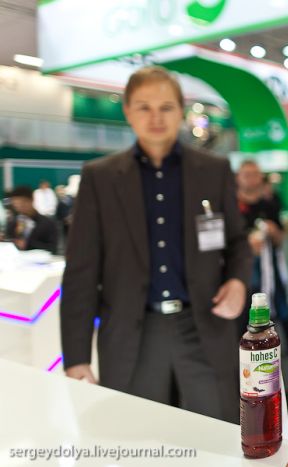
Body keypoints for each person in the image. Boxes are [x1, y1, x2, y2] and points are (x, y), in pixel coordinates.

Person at [60, 66, 252, 423]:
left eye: (166, 107)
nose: (156, 117)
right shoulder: (99, 178)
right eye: (144, 107)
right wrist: (76, 356)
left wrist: (238, 281)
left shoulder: (214, 170)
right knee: (139, 437)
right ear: (128, 111)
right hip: (133, 333)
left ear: (181, 110)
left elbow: (238, 243)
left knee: (214, 433)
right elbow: (81, 272)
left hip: (203, 327)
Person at [236, 159, 288, 353]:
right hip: (243, 267)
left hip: (270, 265)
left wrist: (273, 232)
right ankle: (247, 348)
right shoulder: (230, 205)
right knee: (244, 309)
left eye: (255, 174)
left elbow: (281, 236)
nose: (251, 179)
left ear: (261, 177)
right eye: (246, 174)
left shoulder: (270, 202)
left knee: (279, 301)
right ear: (238, 178)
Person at [4, 185, 58, 254]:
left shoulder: (48, 224)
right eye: (16, 205)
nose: (20, 208)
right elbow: (9, 240)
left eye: (22, 204)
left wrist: (28, 244)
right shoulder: (13, 222)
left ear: (31, 200)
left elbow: (53, 249)